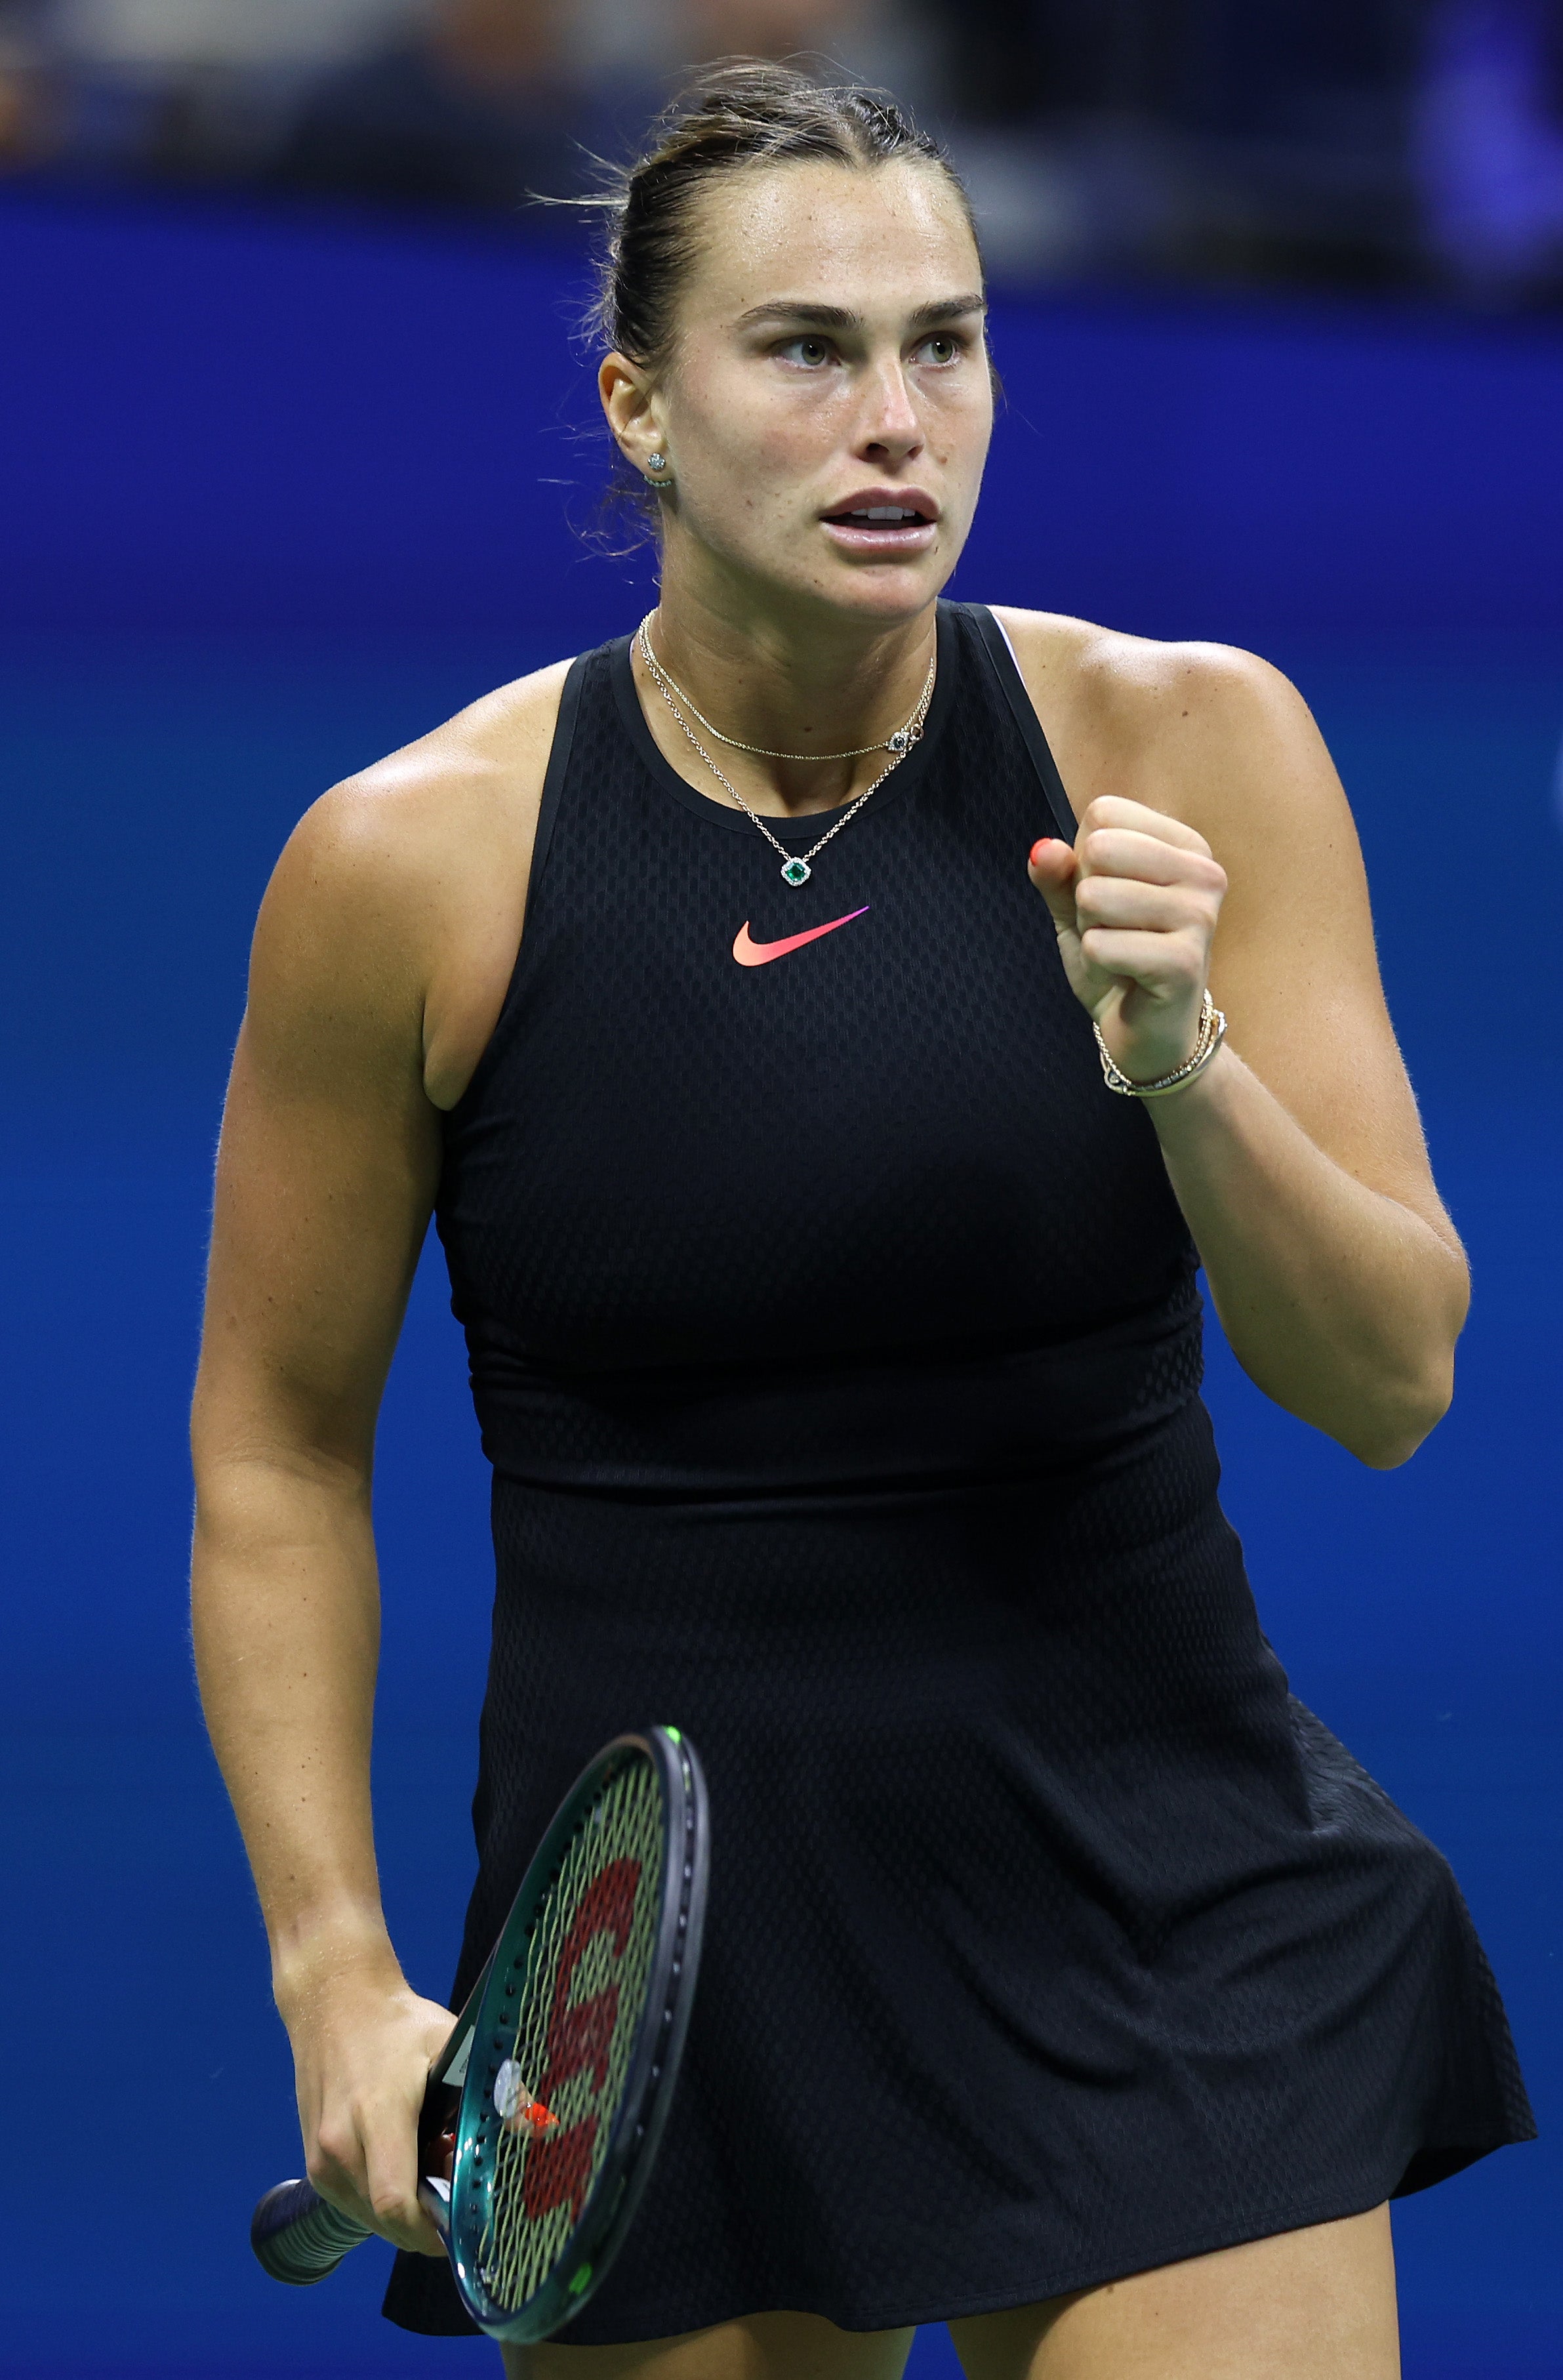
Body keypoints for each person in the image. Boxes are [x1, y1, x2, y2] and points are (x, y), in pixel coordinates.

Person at [190, 61, 1533, 2380]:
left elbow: (1389, 1375)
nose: (896, 417)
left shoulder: (1192, 746)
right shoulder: (411, 865)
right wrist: (336, 1961)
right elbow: (278, 1458)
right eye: (805, 350)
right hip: (662, 1973)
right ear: (637, 401)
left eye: (950, 340)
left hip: (1159, 1903)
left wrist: (1178, 1057)